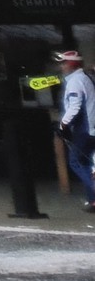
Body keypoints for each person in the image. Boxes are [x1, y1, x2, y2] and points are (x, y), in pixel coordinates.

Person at [57, 50, 95, 211]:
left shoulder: (75, 81)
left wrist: (63, 125)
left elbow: (75, 107)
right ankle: (92, 200)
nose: (61, 66)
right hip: (91, 127)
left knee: (77, 162)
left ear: (71, 64)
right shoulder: (85, 78)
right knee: (87, 163)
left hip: (85, 129)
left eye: (64, 63)